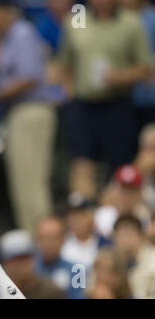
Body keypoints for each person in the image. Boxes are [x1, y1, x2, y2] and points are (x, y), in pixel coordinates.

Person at [0, 0, 59, 235]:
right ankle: (37, 242)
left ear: (2, 11)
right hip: (20, 113)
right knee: (24, 185)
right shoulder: (11, 38)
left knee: (31, 184)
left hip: (31, 110)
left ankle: (43, 242)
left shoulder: (21, 32)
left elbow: (31, 76)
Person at [57, 0, 152, 199]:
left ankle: (118, 214)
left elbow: (145, 68)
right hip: (82, 104)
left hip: (117, 103)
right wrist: (69, 90)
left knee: (121, 162)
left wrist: (120, 76)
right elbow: (64, 62)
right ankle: (83, 213)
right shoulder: (77, 19)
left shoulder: (130, 22)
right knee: (82, 161)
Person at [0, 229, 66, 299]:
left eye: (26, 257)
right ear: (5, 263)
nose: (23, 264)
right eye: (17, 259)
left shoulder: (51, 291)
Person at [34, 216, 85, 298]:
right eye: (41, 237)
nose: (46, 243)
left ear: (62, 240)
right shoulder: (30, 270)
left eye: (51, 238)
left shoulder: (77, 271)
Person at [60, 192, 111, 271]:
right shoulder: (62, 246)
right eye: (71, 216)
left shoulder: (106, 244)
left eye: (80, 215)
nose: (75, 220)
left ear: (91, 216)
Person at [95, 164, 145, 239]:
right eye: (122, 189)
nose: (126, 195)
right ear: (113, 190)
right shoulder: (101, 216)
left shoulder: (145, 218)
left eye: (130, 190)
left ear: (139, 193)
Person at [113, 214, 155, 298]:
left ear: (141, 235)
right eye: (120, 235)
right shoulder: (111, 261)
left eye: (128, 234)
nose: (125, 240)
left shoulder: (152, 260)